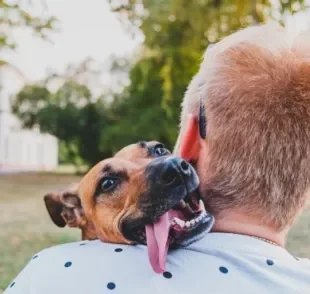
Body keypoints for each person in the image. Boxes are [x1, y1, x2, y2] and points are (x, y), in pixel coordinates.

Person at [4, 23, 310, 294]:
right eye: (110, 183)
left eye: (160, 152)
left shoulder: (49, 276)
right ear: (75, 213)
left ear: (189, 141)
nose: (166, 166)